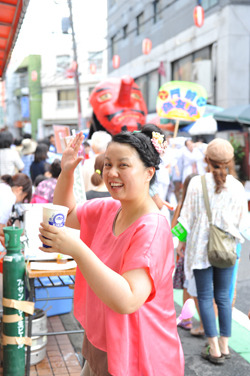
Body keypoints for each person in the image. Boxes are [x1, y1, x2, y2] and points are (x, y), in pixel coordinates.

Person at [38, 125, 184, 376]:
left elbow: (127, 300)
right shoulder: (109, 207)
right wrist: (67, 171)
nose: (112, 172)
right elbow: (67, 215)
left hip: (138, 352)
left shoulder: (152, 228)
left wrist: (78, 250)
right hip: (104, 340)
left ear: (149, 172)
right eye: (107, 164)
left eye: (123, 165)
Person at [177, 138, 248, 365]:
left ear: (206, 159)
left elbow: (185, 218)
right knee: (224, 299)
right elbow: (243, 224)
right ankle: (225, 344)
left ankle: (214, 348)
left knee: (205, 297)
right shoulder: (238, 187)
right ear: (229, 161)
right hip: (226, 249)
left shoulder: (197, 183)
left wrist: (176, 241)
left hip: (199, 250)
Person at [0, 173, 32, 241]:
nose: (20, 200)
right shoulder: (10, 197)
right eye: (23, 197)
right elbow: (0, 228)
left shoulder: (3, 187)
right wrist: (19, 233)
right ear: (19, 189)